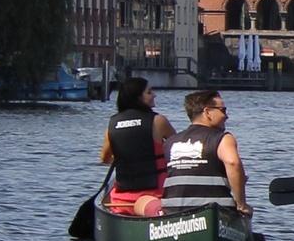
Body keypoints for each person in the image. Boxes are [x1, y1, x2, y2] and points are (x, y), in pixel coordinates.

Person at [161, 89, 251, 217]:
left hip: (173, 213)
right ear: (208, 112)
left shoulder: (170, 142)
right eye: (223, 110)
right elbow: (232, 163)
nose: (226, 116)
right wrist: (242, 205)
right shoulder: (223, 138)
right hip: (212, 214)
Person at [99, 77, 175, 215]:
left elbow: (104, 158)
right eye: (149, 92)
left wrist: (129, 161)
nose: (154, 95)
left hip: (120, 200)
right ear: (138, 97)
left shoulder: (111, 125)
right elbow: (178, 150)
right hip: (156, 198)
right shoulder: (158, 121)